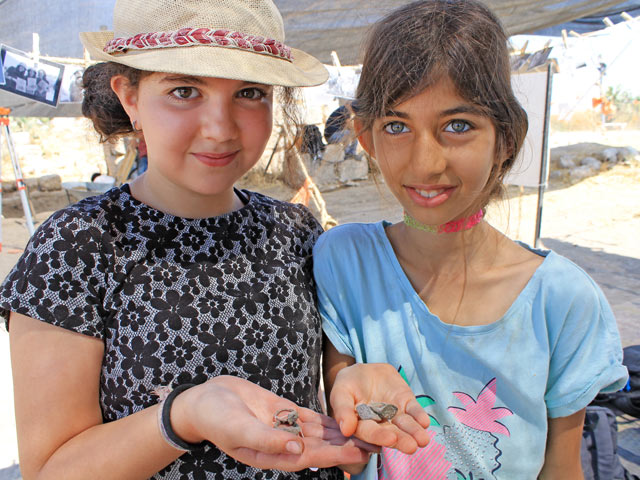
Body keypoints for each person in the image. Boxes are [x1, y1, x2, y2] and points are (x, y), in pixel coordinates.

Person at [1, 1, 373, 479]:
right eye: (184, 90)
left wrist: (356, 385)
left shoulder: (296, 232)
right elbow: (50, 471)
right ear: (129, 97)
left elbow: (331, 376)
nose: (219, 128)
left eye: (249, 92)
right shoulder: (78, 246)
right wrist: (183, 415)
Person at [313, 1, 629, 479]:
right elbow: (346, 402)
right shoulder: (343, 262)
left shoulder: (562, 300)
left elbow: (561, 468)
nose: (425, 163)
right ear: (366, 135)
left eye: (457, 126)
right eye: (397, 126)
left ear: (505, 139)